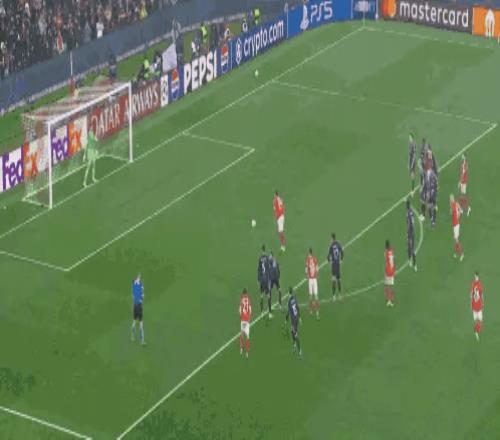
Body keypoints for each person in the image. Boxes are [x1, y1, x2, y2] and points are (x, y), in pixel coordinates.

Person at [286, 287, 302, 358]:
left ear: (288, 293)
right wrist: (300, 317)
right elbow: (297, 308)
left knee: (295, 334)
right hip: (297, 318)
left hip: (293, 320)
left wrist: (286, 319)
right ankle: (294, 344)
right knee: (292, 331)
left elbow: (288, 311)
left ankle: (300, 350)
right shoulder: (294, 299)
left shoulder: (289, 301)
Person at [327, 233, 344, 299]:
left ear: (331, 238)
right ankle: (339, 295)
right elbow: (342, 252)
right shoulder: (338, 244)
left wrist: (330, 261)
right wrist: (341, 260)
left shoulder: (331, 245)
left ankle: (334, 296)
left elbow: (328, 256)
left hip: (334, 264)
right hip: (338, 264)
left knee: (333, 279)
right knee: (338, 279)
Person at [257, 245, 272, 318]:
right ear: (265, 250)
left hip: (262, 279)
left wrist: (258, 279)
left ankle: (262, 312)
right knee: (268, 296)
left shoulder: (260, 258)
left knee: (261, 296)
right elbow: (268, 269)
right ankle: (269, 313)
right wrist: (269, 278)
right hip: (266, 279)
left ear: (261, 250)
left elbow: (259, 269)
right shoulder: (267, 258)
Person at [131, 274, 146, 345]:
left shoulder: (133, 286)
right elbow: (142, 296)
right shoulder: (140, 286)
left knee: (134, 321)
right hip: (139, 306)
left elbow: (134, 296)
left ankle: (132, 337)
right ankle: (142, 341)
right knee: (141, 323)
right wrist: (142, 294)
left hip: (135, 306)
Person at [306, 248, 319, 319]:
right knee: (316, 296)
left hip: (310, 280)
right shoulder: (315, 259)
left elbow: (306, 269)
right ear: (312, 252)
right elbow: (317, 268)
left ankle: (311, 310)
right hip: (315, 279)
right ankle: (317, 312)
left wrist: (308, 275)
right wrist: (316, 275)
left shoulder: (308, 260)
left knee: (310, 296)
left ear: (309, 252)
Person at [450, 193, 464, 261]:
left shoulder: (453, 205)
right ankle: (456, 253)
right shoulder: (456, 203)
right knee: (455, 239)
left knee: (456, 240)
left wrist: (457, 214)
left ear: (452, 199)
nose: (450, 199)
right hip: (456, 224)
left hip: (456, 225)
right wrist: (459, 214)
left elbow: (451, 212)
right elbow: (461, 211)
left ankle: (461, 254)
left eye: (451, 198)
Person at [470, 272, 483, 341]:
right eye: (476, 276)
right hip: (477, 305)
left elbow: (471, 294)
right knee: (479, 320)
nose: (476, 277)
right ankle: (476, 331)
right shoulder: (479, 284)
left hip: (474, 305)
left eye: (476, 276)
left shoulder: (473, 284)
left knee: (477, 320)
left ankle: (476, 331)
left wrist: (471, 301)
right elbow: (481, 294)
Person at [239, 288, 252, 358]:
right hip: (247, 320)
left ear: (243, 293)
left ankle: (241, 349)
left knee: (242, 334)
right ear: (246, 293)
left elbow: (239, 310)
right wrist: (249, 317)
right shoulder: (248, 300)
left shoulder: (241, 300)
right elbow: (250, 310)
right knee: (247, 337)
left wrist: (241, 317)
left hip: (242, 320)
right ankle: (247, 352)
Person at [406, 199, 417, 271]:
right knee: (410, 248)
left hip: (410, 232)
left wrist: (408, 233)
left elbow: (409, 223)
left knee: (411, 249)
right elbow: (411, 222)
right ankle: (411, 261)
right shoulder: (411, 211)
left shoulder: (408, 213)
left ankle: (414, 264)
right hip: (411, 232)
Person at [384, 240, 395, 307]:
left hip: (388, 271)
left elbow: (386, 260)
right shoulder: (391, 252)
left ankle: (389, 300)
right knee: (391, 285)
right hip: (392, 270)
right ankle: (391, 298)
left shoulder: (386, 253)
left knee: (387, 285)